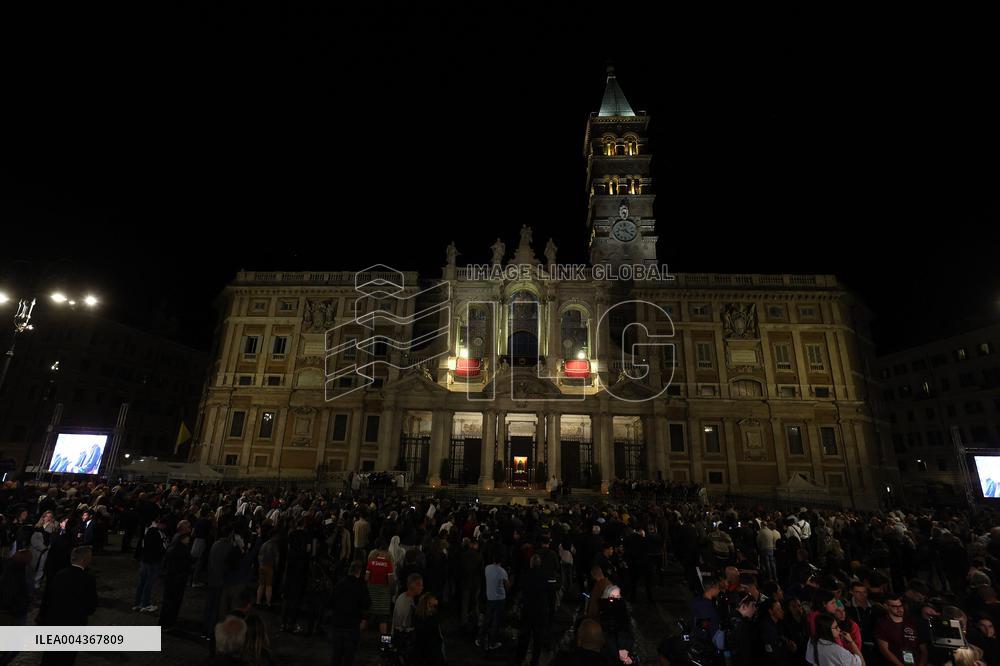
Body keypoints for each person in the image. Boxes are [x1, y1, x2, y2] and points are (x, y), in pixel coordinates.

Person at [38, 546, 98, 666]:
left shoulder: (60, 574)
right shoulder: (88, 578)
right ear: (84, 560)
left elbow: (48, 597)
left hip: (55, 621)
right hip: (74, 623)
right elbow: (91, 605)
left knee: (50, 655)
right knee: (67, 657)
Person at [330, 560, 371, 666]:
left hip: (338, 623)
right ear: (359, 572)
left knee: (336, 654)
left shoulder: (340, 583)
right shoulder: (360, 585)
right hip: (352, 625)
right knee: (349, 655)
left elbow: (331, 601)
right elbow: (367, 604)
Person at [514, 554, 551, 666]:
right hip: (540, 610)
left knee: (524, 635)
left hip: (528, 609)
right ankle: (535, 660)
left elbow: (520, 588)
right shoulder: (545, 576)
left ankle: (520, 658)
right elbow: (549, 592)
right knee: (537, 637)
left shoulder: (526, 575)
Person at [876, 593, 927, 666]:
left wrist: (922, 664)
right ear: (886, 606)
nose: (899, 609)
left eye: (900, 606)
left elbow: (923, 648)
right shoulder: (882, 624)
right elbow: (884, 650)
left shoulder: (912, 622)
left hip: (916, 662)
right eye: (894, 606)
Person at [133, 516, 168, 613]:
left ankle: (137, 603)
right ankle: (145, 604)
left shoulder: (148, 530)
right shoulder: (158, 533)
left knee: (142, 582)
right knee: (149, 583)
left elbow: (143, 545)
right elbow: (163, 548)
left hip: (144, 560)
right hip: (153, 561)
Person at [478, 548, 508, 651]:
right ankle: (492, 642)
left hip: (489, 596)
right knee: (496, 621)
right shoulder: (503, 572)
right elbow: (506, 585)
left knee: (487, 619)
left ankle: (481, 639)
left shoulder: (487, 568)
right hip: (500, 598)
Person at [365, 538, 395, 635]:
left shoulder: (371, 563)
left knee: (365, 617)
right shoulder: (388, 564)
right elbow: (390, 581)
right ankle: (385, 644)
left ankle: (356, 639)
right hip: (383, 595)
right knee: (383, 621)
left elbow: (366, 578)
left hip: (371, 592)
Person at [413, 593, 447, 666]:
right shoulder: (430, 620)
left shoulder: (418, 616)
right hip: (430, 652)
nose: (434, 607)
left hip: (422, 652)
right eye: (432, 605)